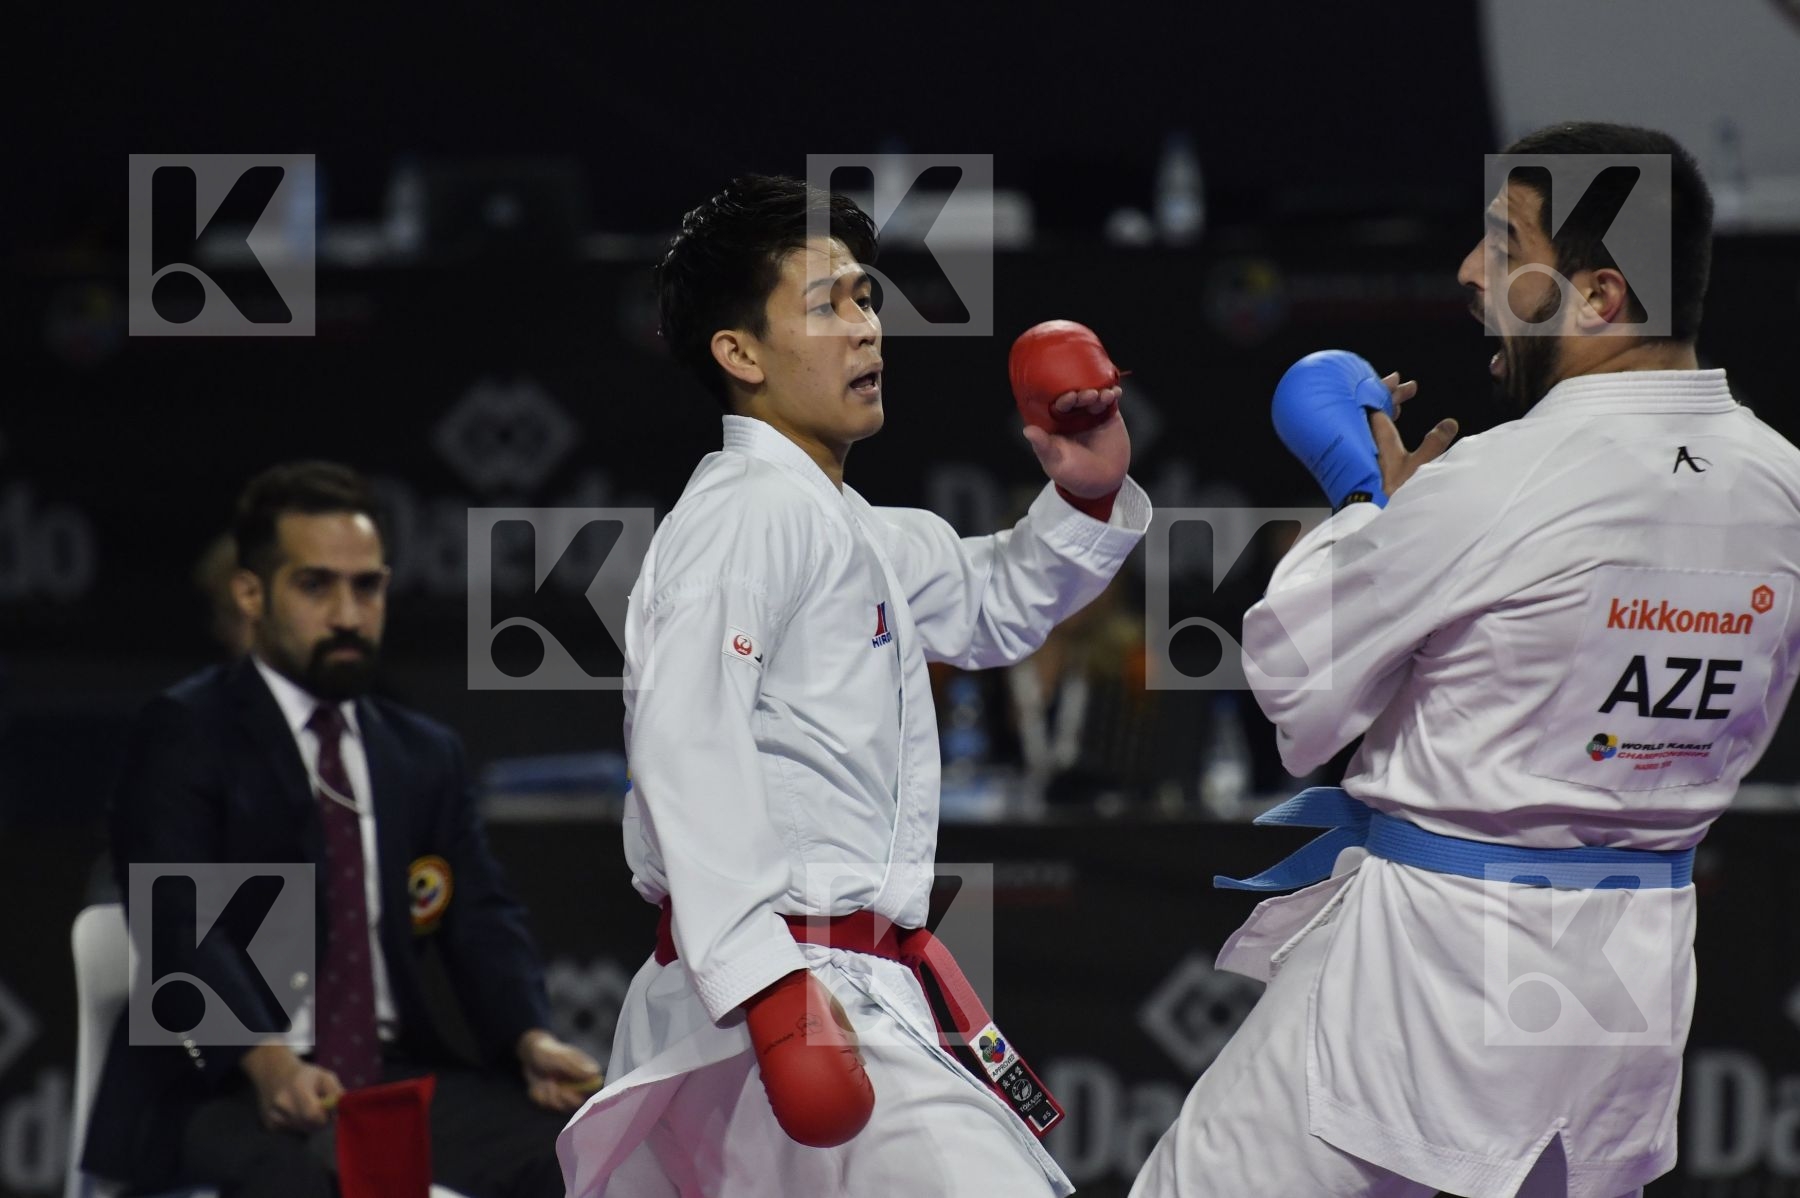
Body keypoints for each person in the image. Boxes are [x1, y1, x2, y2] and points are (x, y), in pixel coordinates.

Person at [1133, 122, 1800, 1198]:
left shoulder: (1506, 476)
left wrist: (1366, 502)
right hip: (1625, 990)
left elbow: (1297, 689)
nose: (1467, 271)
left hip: (1428, 983)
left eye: (1503, 242)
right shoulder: (1785, 486)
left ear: (1600, 296)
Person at [555, 174, 1151, 1197]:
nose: (868, 327)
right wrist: (767, 982)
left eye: (867, 297)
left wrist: (1084, 489)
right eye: (828, 305)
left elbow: (998, 594)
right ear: (737, 353)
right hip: (775, 994)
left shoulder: (853, 526)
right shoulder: (743, 513)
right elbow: (684, 738)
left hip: (841, 987)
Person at [85, 461, 601, 1198]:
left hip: (389, 1081)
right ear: (250, 592)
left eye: (368, 586)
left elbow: (480, 918)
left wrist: (529, 1037)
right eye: (315, 585)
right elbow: (179, 918)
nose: (349, 614)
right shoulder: (189, 731)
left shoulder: (421, 755)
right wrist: (265, 1061)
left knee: (578, 1156)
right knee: (317, 1184)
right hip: (228, 1086)